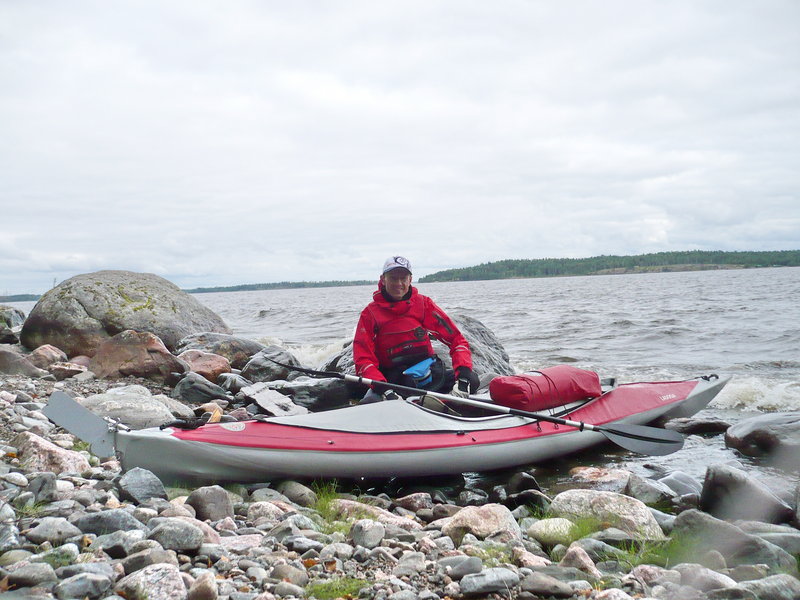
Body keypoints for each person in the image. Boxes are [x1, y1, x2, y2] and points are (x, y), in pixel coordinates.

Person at [353, 255, 480, 403]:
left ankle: (441, 403)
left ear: (410, 280)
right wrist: (383, 388)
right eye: (393, 278)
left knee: (473, 380)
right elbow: (363, 359)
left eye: (403, 278)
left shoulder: (423, 304)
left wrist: (463, 378)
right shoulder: (370, 314)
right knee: (370, 402)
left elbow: (457, 340)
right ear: (383, 279)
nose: (399, 283)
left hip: (429, 375)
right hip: (393, 382)